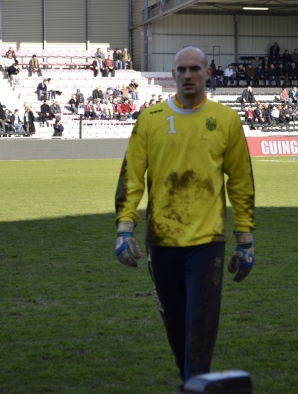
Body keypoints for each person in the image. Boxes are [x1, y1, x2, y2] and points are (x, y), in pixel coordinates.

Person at [113, 46, 256, 385]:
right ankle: (191, 381)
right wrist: (124, 227)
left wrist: (245, 238)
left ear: (208, 73)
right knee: (175, 325)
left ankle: (196, 383)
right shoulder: (150, 119)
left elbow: (240, 180)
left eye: (195, 69)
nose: (188, 75)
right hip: (161, 240)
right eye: (182, 70)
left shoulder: (226, 120)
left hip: (208, 242)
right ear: (173, 75)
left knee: (201, 324)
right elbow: (132, 177)